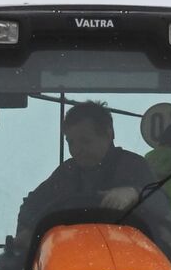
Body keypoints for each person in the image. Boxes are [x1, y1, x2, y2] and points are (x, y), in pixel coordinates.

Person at [13, 100, 158, 240]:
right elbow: (31, 206)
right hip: (70, 254)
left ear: (108, 134)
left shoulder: (133, 166)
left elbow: (163, 206)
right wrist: (29, 234)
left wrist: (134, 193)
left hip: (126, 255)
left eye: (85, 141)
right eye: (71, 142)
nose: (77, 150)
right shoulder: (66, 172)